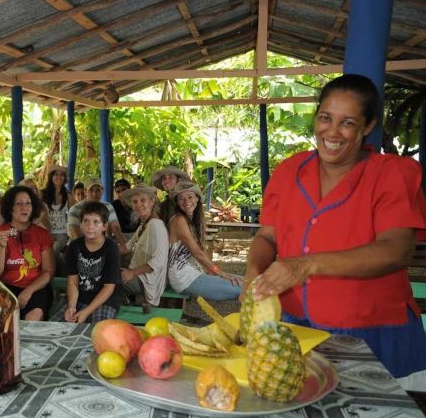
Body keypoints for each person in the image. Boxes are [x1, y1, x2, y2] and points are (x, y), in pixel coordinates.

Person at [246, 74, 426, 391]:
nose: (332, 131)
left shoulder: (391, 174)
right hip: (295, 330)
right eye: (326, 118)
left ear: (367, 126)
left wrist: (305, 264)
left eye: (347, 122)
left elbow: (396, 250)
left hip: (373, 334)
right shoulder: (290, 171)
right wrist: (253, 271)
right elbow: (267, 236)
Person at [0, 185, 55, 321]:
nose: (24, 207)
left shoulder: (42, 234)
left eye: (28, 203)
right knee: (7, 323)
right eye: (19, 203)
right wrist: (1, 246)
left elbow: (49, 272)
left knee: (33, 319)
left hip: (36, 288)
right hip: (6, 288)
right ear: (10, 207)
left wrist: (28, 291)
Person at [168, 181, 242, 300]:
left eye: (190, 197)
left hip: (194, 272)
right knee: (242, 288)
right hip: (183, 278)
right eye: (181, 199)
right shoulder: (178, 220)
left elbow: (200, 253)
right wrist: (221, 273)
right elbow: (198, 253)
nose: (186, 202)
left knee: (249, 281)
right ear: (177, 202)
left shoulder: (193, 219)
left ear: (197, 198)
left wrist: (211, 270)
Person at [51, 201, 121, 323]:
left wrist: (86, 311)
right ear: (81, 224)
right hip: (77, 298)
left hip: (104, 300)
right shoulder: (74, 246)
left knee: (97, 332)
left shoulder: (111, 247)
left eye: (96, 222)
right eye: (86, 221)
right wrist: (71, 307)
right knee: (55, 326)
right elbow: (73, 282)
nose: (90, 226)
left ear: (105, 226)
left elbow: (109, 288)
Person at [120, 183, 168, 309]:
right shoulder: (143, 226)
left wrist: (132, 273)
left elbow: (159, 261)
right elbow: (125, 248)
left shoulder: (156, 225)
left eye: (143, 200)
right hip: (139, 277)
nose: (138, 205)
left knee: (105, 277)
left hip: (146, 281)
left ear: (152, 202)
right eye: (134, 202)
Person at [68, 178, 127, 252]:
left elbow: (115, 228)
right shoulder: (75, 209)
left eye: (97, 190)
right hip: (78, 248)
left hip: (100, 245)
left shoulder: (108, 206)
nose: (94, 194)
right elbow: (75, 234)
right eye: (91, 190)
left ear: (102, 191)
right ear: (85, 192)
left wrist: (125, 246)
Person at [41, 165, 72, 255]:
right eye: (56, 174)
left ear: (64, 178)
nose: (59, 177)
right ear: (51, 177)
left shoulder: (68, 196)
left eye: (62, 175)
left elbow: (74, 214)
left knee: (53, 250)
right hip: (45, 232)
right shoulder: (42, 194)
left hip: (62, 233)